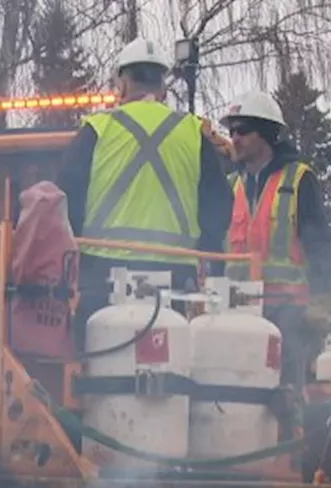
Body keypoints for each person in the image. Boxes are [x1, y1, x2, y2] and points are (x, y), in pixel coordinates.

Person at [56, 37, 233, 350]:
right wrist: (203, 254)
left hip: (102, 275)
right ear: (163, 87)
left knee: (99, 367)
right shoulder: (193, 132)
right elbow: (218, 206)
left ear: (122, 84)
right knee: (171, 362)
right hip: (176, 276)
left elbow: (65, 200)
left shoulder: (97, 130)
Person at [218, 91, 331, 386]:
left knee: (284, 393)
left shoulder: (298, 179)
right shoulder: (231, 186)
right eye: (231, 131)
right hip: (237, 313)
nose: (235, 138)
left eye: (243, 130)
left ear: (267, 133)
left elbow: (319, 245)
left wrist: (319, 305)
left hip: (288, 315)